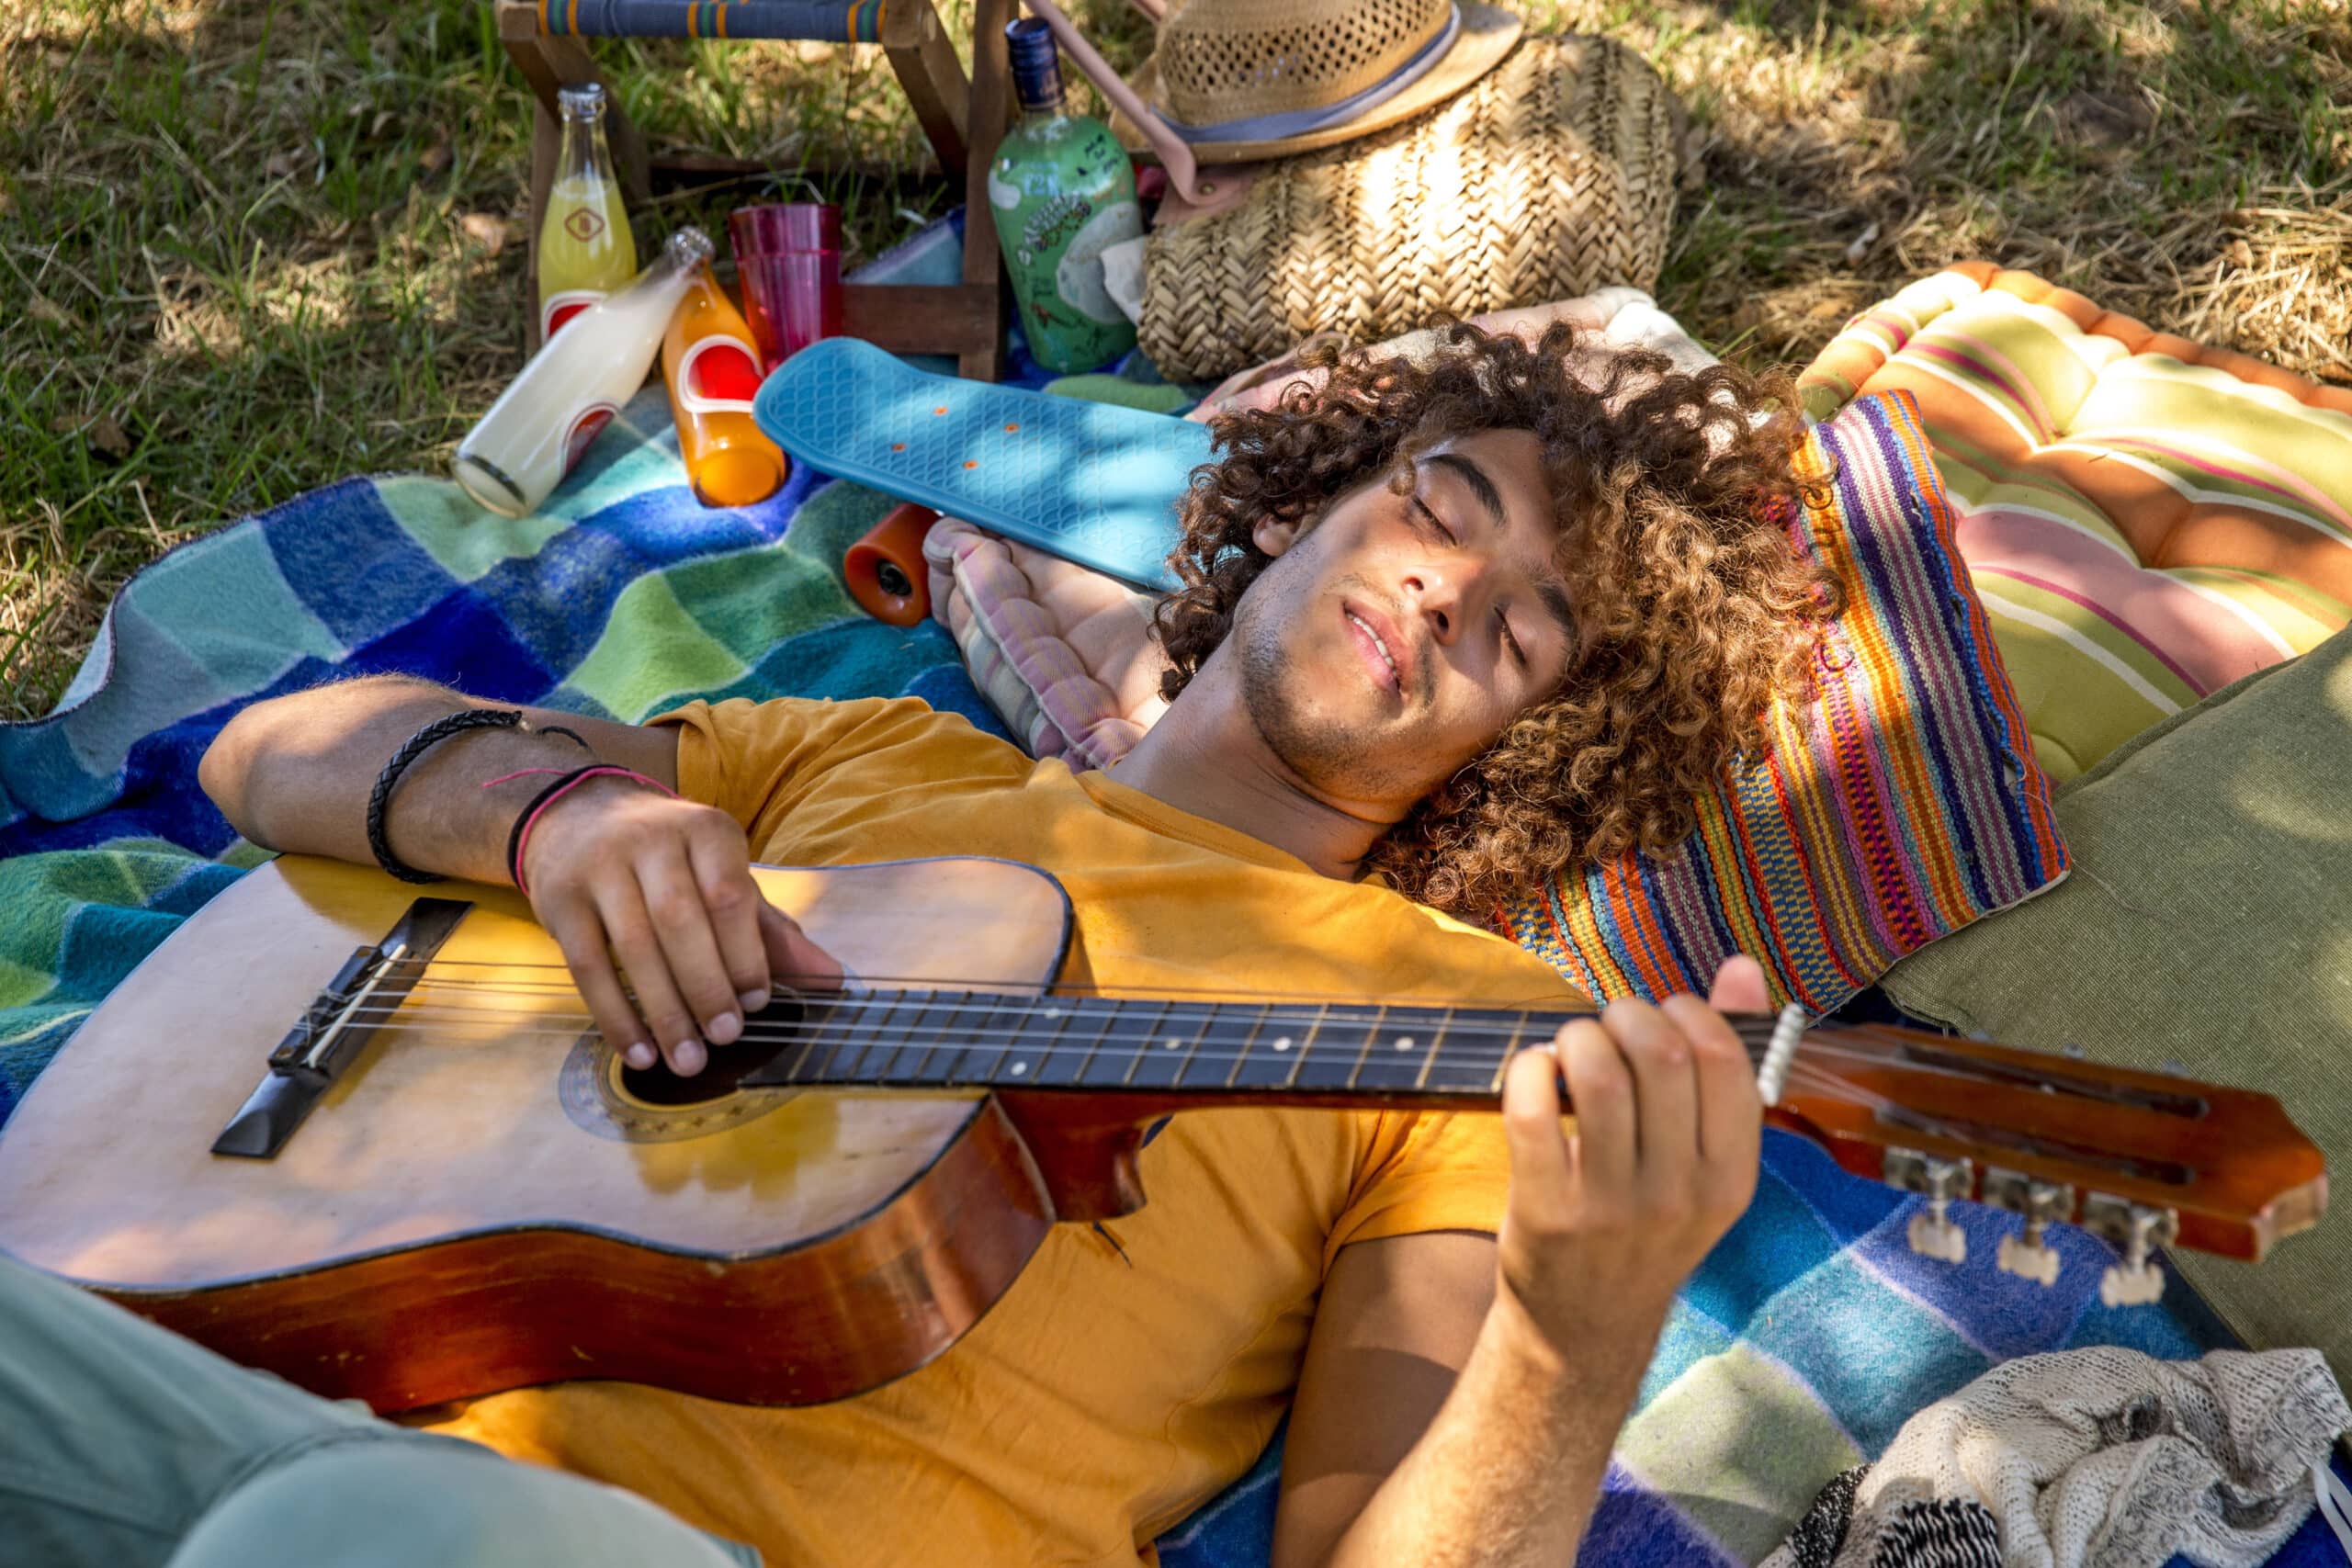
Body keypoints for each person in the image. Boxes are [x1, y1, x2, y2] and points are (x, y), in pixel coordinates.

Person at [1, 324, 1832, 1568]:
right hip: (253, 1356)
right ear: (1299, 500)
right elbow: (272, 755)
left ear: (1522, 747)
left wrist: (1572, 1338)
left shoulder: (1469, 1029)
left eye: (1523, 631)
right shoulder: (867, 756)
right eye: (1441, 505)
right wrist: (561, 819)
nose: (1448, 585)